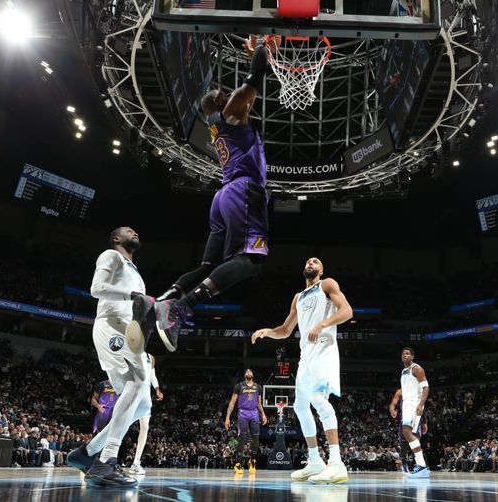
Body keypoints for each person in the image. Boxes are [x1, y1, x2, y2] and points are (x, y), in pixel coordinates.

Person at [125, 36, 281, 356]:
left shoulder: (216, 125)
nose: (232, 95)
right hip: (244, 191)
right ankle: (181, 309)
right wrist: (263, 49)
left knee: (208, 266)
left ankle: (156, 303)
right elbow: (255, 78)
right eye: (225, 95)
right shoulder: (232, 114)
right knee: (252, 259)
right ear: (222, 103)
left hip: (223, 197)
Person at [251, 257, 353, 484]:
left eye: (315, 261)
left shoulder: (327, 285)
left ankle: (336, 463)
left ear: (321, 269)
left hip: (324, 351)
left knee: (318, 399)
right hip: (306, 357)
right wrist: (267, 331)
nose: (310, 263)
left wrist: (322, 324)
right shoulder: (298, 297)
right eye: (307, 261)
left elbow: (347, 311)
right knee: (299, 406)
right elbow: (286, 330)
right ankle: (315, 460)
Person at [66, 227, 152, 488]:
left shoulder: (136, 274)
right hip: (111, 326)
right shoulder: (111, 256)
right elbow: (96, 288)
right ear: (116, 239)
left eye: (136, 231)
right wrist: (132, 296)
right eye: (128, 231)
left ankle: (86, 453)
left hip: (128, 331)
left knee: (143, 406)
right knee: (137, 382)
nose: (134, 232)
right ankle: (105, 462)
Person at [394, 348, 431, 478]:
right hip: (406, 404)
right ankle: (421, 465)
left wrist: (421, 404)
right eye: (403, 353)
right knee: (411, 434)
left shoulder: (417, 369)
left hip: (414, 403)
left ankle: (421, 465)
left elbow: (426, 387)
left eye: (407, 353)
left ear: (412, 357)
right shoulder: (404, 371)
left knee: (406, 432)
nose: (405, 355)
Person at [224, 368, 268, 475]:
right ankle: (238, 464)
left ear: (252, 375)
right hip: (243, 412)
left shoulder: (258, 387)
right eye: (247, 372)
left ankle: (252, 461)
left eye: (250, 372)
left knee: (256, 437)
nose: (248, 373)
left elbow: (259, 403)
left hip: (254, 413)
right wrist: (227, 418)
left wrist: (263, 414)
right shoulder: (239, 386)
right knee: (242, 437)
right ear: (244, 375)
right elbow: (232, 403)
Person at [129, 353, 165, 475]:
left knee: (145, 427)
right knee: (122, 424)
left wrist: (157, 389)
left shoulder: (151, 358)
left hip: (145, 395)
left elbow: (152, 375)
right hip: (132, 392)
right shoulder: (131, 353)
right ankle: (107, 456)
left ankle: (136, 462)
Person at [388, 388, 426, 473]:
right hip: (405, 418)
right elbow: (393, 403)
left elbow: (422, 406)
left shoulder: (418, 390)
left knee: (416, 443)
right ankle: (404, 466)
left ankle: (419, 464)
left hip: (417, 418)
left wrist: (425, 422)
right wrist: (392, 408)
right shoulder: (400, 391)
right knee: (404, 446)